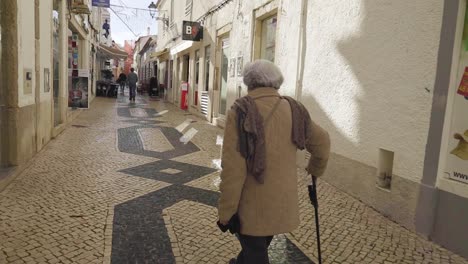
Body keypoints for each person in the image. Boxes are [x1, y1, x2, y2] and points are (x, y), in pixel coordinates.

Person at [217, 60, 331, 264]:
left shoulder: (240, 111)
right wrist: (314, 169)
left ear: (249, 83)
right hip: (281, 202)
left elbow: (233, 171)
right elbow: (322, 142)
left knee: (255, 253)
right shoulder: (294, 109)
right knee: (256, 248)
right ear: (276, 82)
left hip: (251, 205)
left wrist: (226, 212)